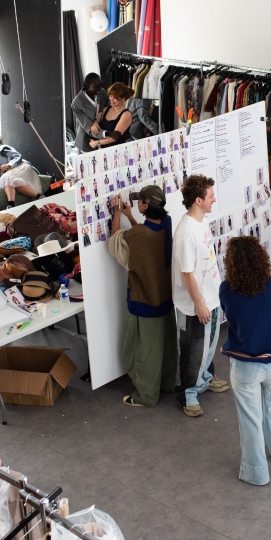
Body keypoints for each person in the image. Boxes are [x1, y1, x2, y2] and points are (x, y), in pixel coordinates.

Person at [219, 236, 271, 485]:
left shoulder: (226, 289)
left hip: (244, 366)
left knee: (250, 419)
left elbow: (232, 320)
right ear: (261, 258)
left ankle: (256, 472)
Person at [107, 185, 177, 408]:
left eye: (139, 202)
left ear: (145, 206)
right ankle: (166, 384)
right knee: (165, 348)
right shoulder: (166, 223)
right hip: (164, 297)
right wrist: (130, 214)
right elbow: (144, 238)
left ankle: (146, 396)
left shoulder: (139, 235)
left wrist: (117, 213)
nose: (136, 204)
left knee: (143, 352)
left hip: (144, 300)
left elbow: (116, 240)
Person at [172, 174, 230, 417]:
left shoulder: (201, 221)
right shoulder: (186, 233)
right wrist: (199, 304)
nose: (214, 199)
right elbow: (187, 274)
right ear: (198, 200)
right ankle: (188, 395)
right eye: (210, 196)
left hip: (211, 299)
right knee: (192, 352)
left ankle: (205, 378)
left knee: (208, 348)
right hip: (194, 306)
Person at [0, 135, 44, 209]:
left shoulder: (3, 149)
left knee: (11, 178)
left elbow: (17, 156)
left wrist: (9, 165)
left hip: (15, 170)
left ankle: (11, 204)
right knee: (12, 180)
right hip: (2, 178)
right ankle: (39, 196)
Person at [70, 73, 109, 153]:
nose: (100, 88)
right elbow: (88, 126)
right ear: (87, 86)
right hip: (86, 138)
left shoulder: (102, 92)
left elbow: (107, 109)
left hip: (102, 135)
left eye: (100, 85)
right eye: (96, 87)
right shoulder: (77, 103)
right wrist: (107, 134)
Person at [88, 82, 134, 150]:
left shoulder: (126, 115)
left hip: (117, 150)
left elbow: (114, 138)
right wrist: (94, 123)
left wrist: (96, 143)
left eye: (115, 97)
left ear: (123, 99)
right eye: (110, 96)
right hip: (102, 149)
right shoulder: (105, 109)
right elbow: (96, 121)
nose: (111, 99)